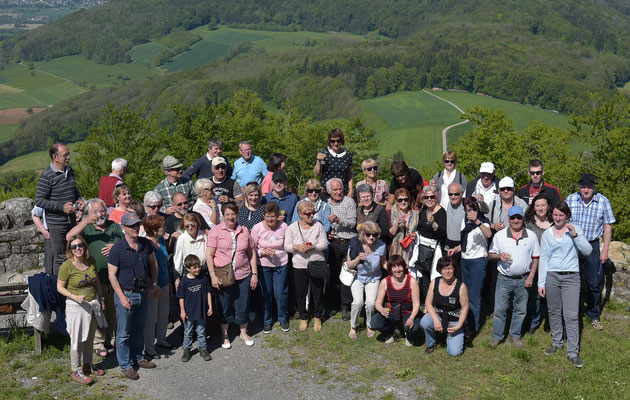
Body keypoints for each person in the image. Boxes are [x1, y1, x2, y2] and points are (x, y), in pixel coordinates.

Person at [65, 198, 123, 357]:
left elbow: (126, 243)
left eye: (102, 210)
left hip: (115, 277)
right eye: (96, 211)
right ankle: (98, 342)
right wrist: (86, 221)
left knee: (114, 310)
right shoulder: (87, 229)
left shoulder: (114, 226)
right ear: (89, 213)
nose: (100, 214)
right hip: (94, 277)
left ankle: (113, 339)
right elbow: (69, 237)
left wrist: (115, 247)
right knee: (96, 309)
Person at [107, 212, 161, 380]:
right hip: (127, 295)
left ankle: (138, 358)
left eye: (137, 225)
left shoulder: (145, 244)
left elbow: (154, 264)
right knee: (123, 333)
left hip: (142, 293)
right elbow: (112, 275)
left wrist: (153, 285)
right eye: (131, 226)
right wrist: (121, 296)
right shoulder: (117, 249)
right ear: (123, 228)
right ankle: (126, 364)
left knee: (139, 330)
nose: (136, 228)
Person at [538, 202, 592, 368]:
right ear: (551, 215)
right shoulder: (547, 233)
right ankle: (557, 342)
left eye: (561, 215)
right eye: (555, 215)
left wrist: (576, 236)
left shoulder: (574, 230)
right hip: (552, 276)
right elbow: (544, 258)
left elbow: (588, 250)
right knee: (554, 311)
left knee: (571, 315)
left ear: (567, 215)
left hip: (571, 277)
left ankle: (573, 352)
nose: (558, 218)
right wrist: (541, 282)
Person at [566, 173, 615, 331]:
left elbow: (608, 226)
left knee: (593, 282)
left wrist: (605, 249)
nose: (585, 189)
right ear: (579, 186)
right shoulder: (571, 199)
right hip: (573, 244)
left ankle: (593, 314)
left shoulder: (602, 201)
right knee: (574, 280)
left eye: (589, 186)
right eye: (582, 186)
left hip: (592, 245)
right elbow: (562, 220)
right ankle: (576, 312)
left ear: (594, 187)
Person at [207, 203, 258, 349]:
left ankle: (243, 332)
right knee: (225, 305)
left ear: (237, 215)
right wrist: (212, 275)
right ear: (223, 215)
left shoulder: (244, 230)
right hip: (223, 274)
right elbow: (209, 255)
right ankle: (225, 335)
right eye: (228, 214)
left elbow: (251, 253)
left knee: (243, 303)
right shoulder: (215, 231)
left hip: (243, 273)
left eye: (233, 214)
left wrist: (254, 273)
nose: (231, 217)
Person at [488, 206, 540, 348]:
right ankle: (497, 336)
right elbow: (490, 255)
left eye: (518, 217)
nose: (516, 220)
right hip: (504, 279)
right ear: (508, 219)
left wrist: (531, 277)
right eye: (513, 218)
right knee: (500, 309)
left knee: (521, 309)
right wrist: (499, 256)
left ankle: (515, 335)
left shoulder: (532, 236)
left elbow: (536, 258)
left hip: (524, 278)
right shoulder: (499, 236)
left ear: (523, 218)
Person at [57, 235, 105, 385]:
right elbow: (59, 287)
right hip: (75, 306)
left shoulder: (91, 261)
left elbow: (96, 279)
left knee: (90, 338)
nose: (77, 249)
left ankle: (87, 365)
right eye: (74, 246)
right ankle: (76, 371)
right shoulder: (66, 266)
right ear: (70, 249)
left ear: (84, 247)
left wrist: (101, 297)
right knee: (77, 339)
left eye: (80, 246)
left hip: (91, 304)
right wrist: (73, 296)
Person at [447, 197, 492, 341]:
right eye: (467, 209)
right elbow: (466, 242)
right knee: (465, 294)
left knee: (474, 295)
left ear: (477, 209)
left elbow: (489, 234)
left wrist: (477, 221)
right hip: (465, 261)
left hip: (478, 261)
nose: (469, 212)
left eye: (473, 208)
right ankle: (466, 322)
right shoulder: (465, 221)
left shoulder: (483, 221)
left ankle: (473, 328)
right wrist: (456, 249)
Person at [35, 142, 83, 275]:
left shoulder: (69, 170)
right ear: (55, 157)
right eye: (65, 155)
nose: (68, 157)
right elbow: (39, 200)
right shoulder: (46, 176)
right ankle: (60, 291)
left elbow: (73, 189)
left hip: (72, 221)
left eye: (68, 154)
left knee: (75, 253)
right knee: (61, 258)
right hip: (56, 224)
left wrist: (79, 199)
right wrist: (61, 208)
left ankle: (73, 286)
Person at [284, 201, 329, 331]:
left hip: (316, 262)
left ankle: (317, 316)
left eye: (312, 213)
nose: (311, 215)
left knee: (317, 291)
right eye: (307, 213)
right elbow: (286, 246)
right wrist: (296, 247)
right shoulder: (292, 228)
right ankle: (303, 317)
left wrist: (313, 247)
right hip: (299, 264)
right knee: (301, 292)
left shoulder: (318, 226)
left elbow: (324, 244)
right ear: (300, 214)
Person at [251, 202, 290, 333]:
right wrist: (262, 252)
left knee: (280, 293)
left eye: (273, 216)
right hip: (263, 265)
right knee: (265, 294)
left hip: (281, 264)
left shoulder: (284, 226)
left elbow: (288, 244)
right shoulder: (257, 228)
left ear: (278, 216)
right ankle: (267, 320)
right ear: (263, 215)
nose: (270, 219)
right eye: (267, 216)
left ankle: (282, 318)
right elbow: (251, 249)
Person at [421, 256, 469, 356]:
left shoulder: (461, 286)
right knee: (425, 322)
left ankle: (452, 335)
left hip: (454, 319)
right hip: (439, 314)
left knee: (455, 352)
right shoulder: (434, 282)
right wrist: (435, 319)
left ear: (454, 269)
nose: (447, 271)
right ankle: (431, 343)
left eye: (450, 268)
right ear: (440, 270)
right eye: (444, 268)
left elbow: (465, 308)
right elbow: (428, 303)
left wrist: (459, 326)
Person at [346, 221, 386, 339]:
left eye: (374, 234)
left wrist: (396, 270)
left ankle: (369, 324)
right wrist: (358, 258)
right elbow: (349, 265)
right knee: (358, 302)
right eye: (368, 234)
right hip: (357, 276)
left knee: (370, 303)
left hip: (373, 277)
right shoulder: (354, 244)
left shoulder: (381, 245)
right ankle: (353, 326)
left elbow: (383, 262)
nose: (371, 237)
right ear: (362, 234)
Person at [371, 255, 422, 346]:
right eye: (394, 267)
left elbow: (416, 303)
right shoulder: (385, 282)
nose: (397, 270)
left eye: (400, 266)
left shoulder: (412, 281)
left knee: (414, 327)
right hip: (391, 311)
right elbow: (378, 303)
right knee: (374, 323)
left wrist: (412, 317)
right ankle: (390, 331)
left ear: (404, 267)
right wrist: (381, 310)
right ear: (390, 269)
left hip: (407, 311)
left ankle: (409, 335)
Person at [325, 178, 357, 320]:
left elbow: (353, 223)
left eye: (340, 189)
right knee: (333, 275)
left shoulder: (349, 202)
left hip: (348, 242)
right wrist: (328, 232)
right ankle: (333, 304)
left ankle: (345, 306)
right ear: (328, 191)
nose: (338, 192)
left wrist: (339, 220)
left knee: (347, 275)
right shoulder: (325, 204)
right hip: (333, 243)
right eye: (335, 190)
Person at [142, 214, 170, 359]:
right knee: (151, 318)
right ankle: (149, 347)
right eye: (162, 226)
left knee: (164, 314)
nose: (164, 227)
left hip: (164, 283)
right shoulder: (146, 245)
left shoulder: (162, 241)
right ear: (154, 230)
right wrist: (154, 285)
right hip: (152, 287)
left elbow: (165, 264)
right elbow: (145, 269)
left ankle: (161, 339)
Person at [524, 193, 553, 334]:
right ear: (533, 207)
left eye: (543, 205)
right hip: (534, 264)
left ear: (548, 207)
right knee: (534, 295)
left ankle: (551, 320)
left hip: (552, 264)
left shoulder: (555, 222)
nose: (540, 208)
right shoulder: (528, 224)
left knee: (552, 294)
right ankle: (533, 321)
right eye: (537, 205)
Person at [177, 254, 213, 362]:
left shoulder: (203, 278)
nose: (197, 269)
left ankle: (203, 348)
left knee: (201, 331)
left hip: (201, 310)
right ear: (188, 269)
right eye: (194, 268)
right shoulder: (184, 281)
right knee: (188, 332)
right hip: (189, 312)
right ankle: (187, 349)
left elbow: (208, 293)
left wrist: (210, 306)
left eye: (198, 266)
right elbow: (181, 297)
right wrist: (182, 311)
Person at [413, 185, 447, 300]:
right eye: (426, 197)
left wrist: (433, 223)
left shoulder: (441, 212)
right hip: (421, 247)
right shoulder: (423, 210)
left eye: (432, 196)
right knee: (423, 276)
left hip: (434, 249)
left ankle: (434, 302)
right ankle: (427, 302)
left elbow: (442, 234)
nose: (429, 199)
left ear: (436, 197)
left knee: (433, 277)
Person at [314, 128, 354, 197]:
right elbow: (316, 173)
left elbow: (349, 174)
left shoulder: (348, 155)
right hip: (326, 193)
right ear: (329, 142)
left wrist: (351, 190)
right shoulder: (324, 152)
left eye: (338, 141)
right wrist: (318, 161)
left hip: (342, 192)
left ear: (342, 141)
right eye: (332, 141)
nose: (336, 143)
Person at [173, 213, 207, 286]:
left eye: (193, 225)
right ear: (183, 227)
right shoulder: (181, 239)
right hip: (189, 275)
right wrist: (177, 279)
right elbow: (177, 260)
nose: (190, 228)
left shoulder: (204, 236)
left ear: (197, 224)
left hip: (204, 272)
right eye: (187, 226)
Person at [388, 188, 419, 264]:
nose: (403, 202)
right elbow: (389, 235)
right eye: (400, 200)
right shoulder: (390, 213)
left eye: (406, 199)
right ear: (396, 201)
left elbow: (417, 231)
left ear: (409, 200)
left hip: (410, 249)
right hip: (395, 249)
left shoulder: (415, 214)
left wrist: (415, 236)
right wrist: (397, 224)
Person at [444, 183, 466, 254]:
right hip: (448, 244)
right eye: (450, 194)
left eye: (456, 194)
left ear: (461, 194)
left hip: (461, 245)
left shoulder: (466, 206)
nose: (453, 197)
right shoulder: (448, 205)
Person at [32, 206, 53, 274]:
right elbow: (34, 214)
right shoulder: (45, 196)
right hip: (50, 233)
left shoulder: (70, 195)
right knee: (50, 264)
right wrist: (44, 231)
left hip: (68, 232)